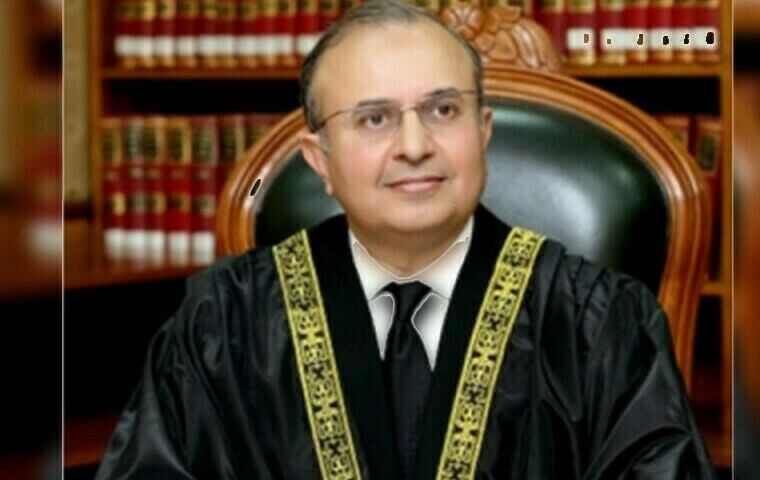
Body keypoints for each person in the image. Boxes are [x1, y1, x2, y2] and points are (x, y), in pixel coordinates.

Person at [95, 1, 715, 479]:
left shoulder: (595, 324)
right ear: (320, 160)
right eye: (374, 118)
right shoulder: (227, 325)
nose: (415, 146)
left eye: (443, 111)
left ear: (483, 131)